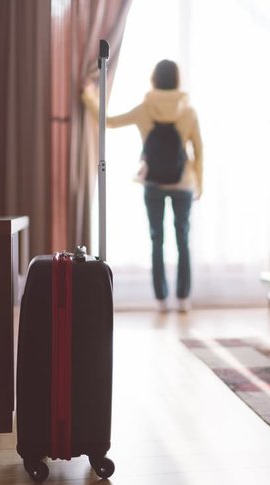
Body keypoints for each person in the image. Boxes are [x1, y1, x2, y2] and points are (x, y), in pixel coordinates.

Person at [83, 59, 203, 313]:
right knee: (183, 240)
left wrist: (88, 96)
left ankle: (161, 300)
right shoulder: (188, 111)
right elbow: (198, 151)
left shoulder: (145, 108)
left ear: (154, 80)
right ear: (177, 81)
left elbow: (109, 121)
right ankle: (183, 299)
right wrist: (199, 183)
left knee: (156, 240)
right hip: (183, 184)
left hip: (153, 181)